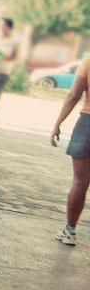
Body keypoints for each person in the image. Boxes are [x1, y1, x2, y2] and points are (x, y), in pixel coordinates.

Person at [50, 54, 90, 246]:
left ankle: (70, 231)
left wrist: (57, 123)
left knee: (80, 182)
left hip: (87, 125)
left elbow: (74, 95)